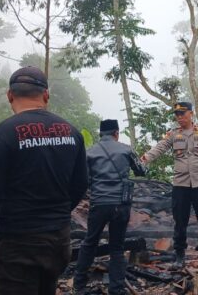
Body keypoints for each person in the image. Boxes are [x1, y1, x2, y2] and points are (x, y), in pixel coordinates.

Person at [0, 66, 88, 295]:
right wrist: (57, 213)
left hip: (19, 245)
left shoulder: (6, 132)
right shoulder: (72, 133)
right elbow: (81, 183)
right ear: (46, 95)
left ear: (10, 95)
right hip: (58, 242)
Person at [141, 101, 198, 266]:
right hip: (181, 184)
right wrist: (145, 158)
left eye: (182, 113)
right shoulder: (173, 134)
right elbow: (160, 147)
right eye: (177, 115)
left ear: (191, 114)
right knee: (180, 220)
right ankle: (180, 254)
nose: (179, 117)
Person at [74, 119, 147, 295]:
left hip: (99, 203)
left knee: (90, 242)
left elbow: (83, 179)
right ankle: (116, 288)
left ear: (100, 134)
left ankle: (79, 284)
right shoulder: (126, 149)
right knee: (117, 247)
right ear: (116, 133)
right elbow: (141, 171)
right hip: (121, 205)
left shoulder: (89, 152)